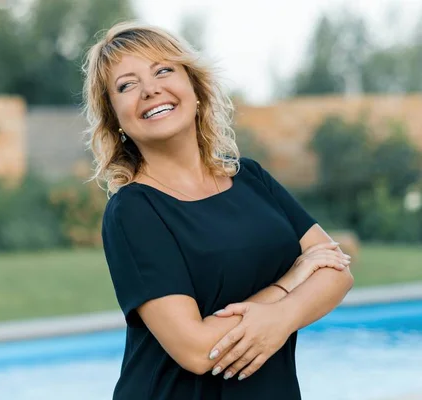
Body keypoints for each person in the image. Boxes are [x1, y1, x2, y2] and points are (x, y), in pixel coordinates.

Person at [82, 20, 354, 400]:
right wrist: (289, 285)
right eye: (127, 85)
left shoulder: (250, 177)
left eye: (163, 70)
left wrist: (282, 318)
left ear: (195, 88)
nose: (150, 89)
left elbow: (336, 270)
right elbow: (196, 350)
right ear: (116, 120)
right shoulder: (132, 211)